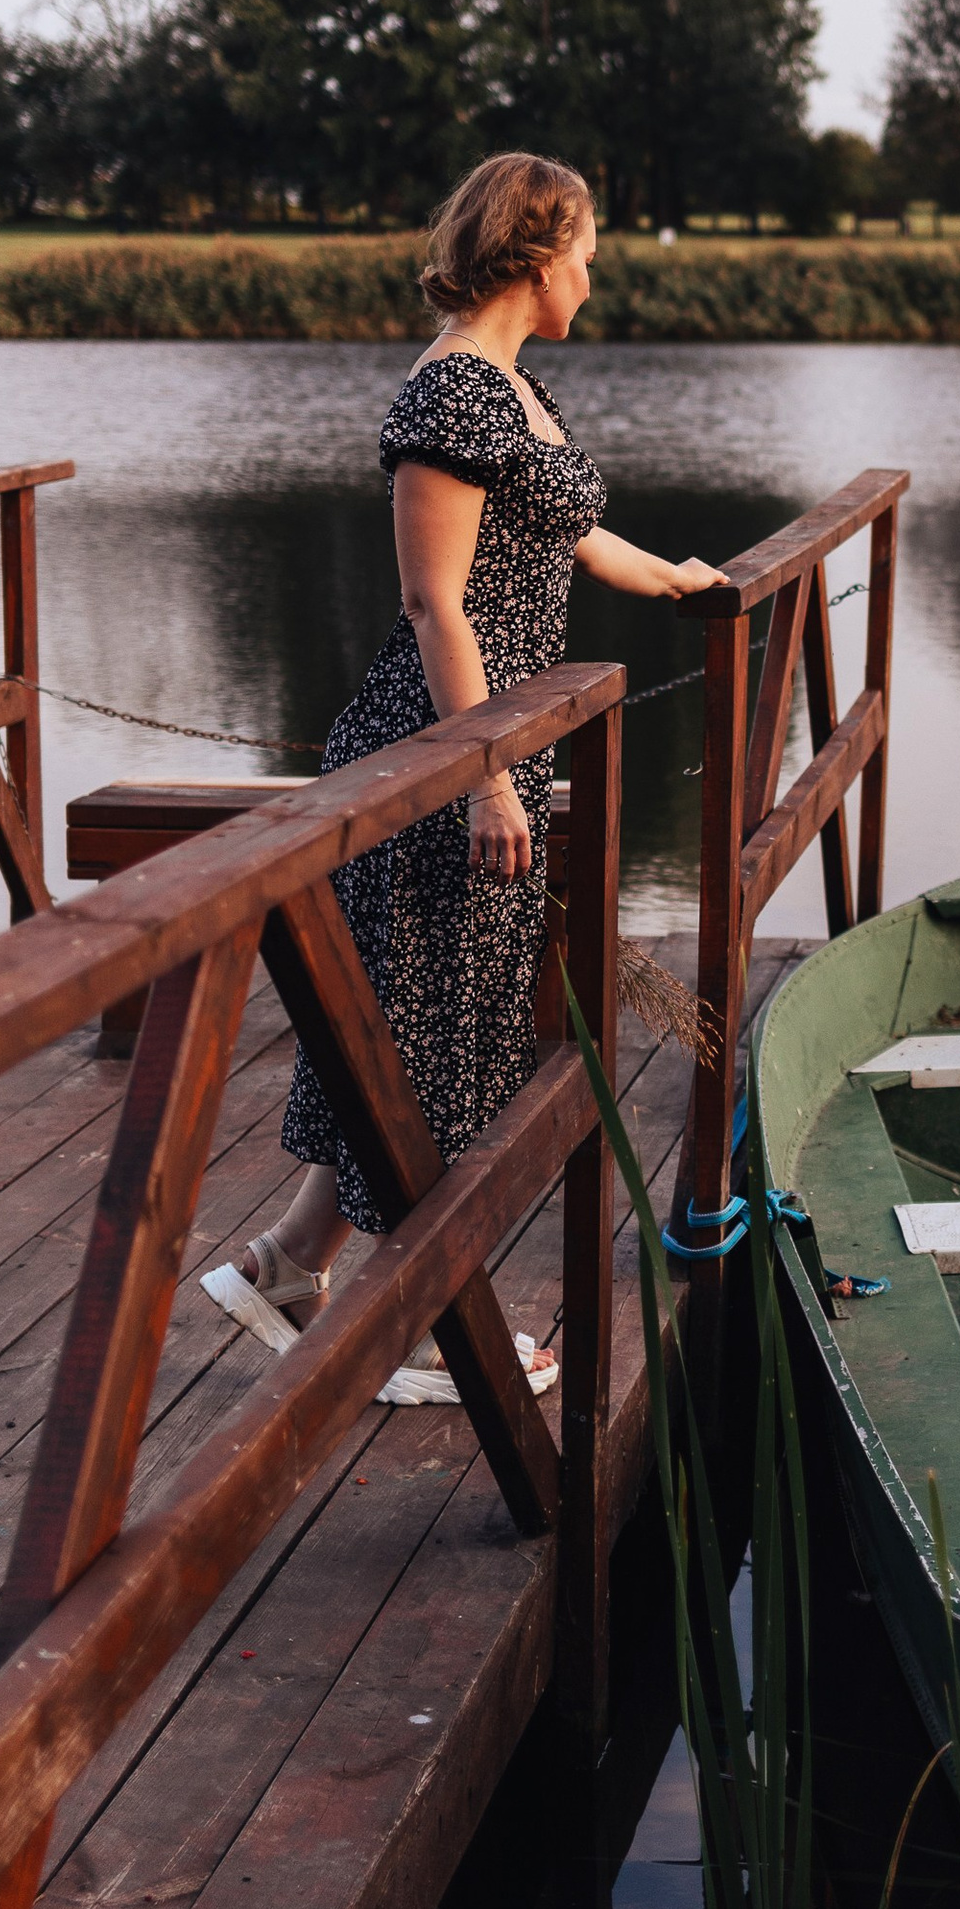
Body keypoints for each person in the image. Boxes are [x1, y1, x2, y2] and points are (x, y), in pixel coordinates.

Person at [201, 152, 720, 1403]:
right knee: (441, 1043)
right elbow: (435, 604)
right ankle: (434, 1330)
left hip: (486, 749)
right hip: (435, 755)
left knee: (426, 1031)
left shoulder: (512, 391)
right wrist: (487, 776)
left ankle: (283, 1264)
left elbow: (573, 532)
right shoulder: (447, 398)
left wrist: (678, 579)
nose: (595, 276)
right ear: (536, 258)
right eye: (586, 252)